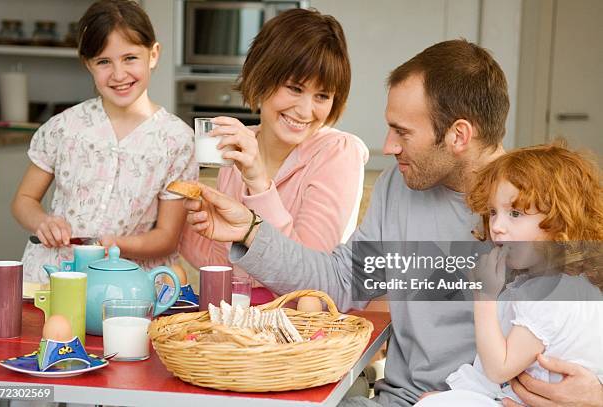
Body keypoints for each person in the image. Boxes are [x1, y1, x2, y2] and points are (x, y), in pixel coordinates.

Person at [184, 39, 603, 406]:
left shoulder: (546, 210)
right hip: (401, 399)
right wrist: (250, 230)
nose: (387, 147)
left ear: (458, 135)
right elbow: (338, 278)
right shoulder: (397, 188)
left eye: (401, 132)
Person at [179, 8, 368, 305]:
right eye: (295, 88)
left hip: (297, 326)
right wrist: (190, 215)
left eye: (322, 96)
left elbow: (308, 279)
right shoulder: (241, 145)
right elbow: (227, 267)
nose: (306, 111)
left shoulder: (339, 153)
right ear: (262, 76)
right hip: (236, 319)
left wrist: (257, 180)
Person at [12, 0, 197, 284]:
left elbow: (167, 238)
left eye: (130, 58)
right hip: (52, 278)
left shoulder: (177, 140)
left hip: (127, 283)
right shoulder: (64, 127)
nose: (119, 74)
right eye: (104, 62)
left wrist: (110, 244)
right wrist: (42, 222)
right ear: (88, 64)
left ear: (153, 55)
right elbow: (24, 200)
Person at [415, 143, 603, 406]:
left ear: (560, 221)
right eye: (493, 212)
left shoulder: (553, 294)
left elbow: (499, 368)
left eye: (515, 213)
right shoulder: (561, 284)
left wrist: (484, 297)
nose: (497, 227)